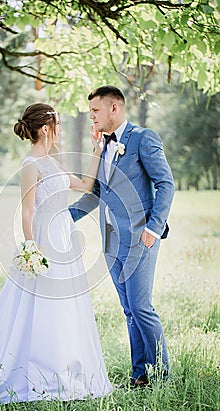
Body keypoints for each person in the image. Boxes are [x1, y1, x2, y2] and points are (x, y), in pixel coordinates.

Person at [0, 103, 112, 404]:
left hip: (64, 235)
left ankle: (66, 364)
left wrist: (95, 151)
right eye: (59, 124)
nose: (61, 130)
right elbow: (27, 212)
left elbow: (85, 186)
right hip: (44, 238)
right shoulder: (31, 165)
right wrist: (31, 249)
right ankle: (36, 368)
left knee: (67, 302)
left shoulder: (54, 161)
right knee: (40, 304)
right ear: (46, 128)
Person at [69, 86, 175, 388]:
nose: (91, 116)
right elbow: (95, 195)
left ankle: (162, 377)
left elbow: (166, 184)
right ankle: (140, 374)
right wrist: (64, 218)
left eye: (95, 111)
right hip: (111, 241)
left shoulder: (143, 139)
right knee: (129, 310)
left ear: (114, 109)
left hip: (140, 238)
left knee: (142, 307)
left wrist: (153, 229)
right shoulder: (102, 147)